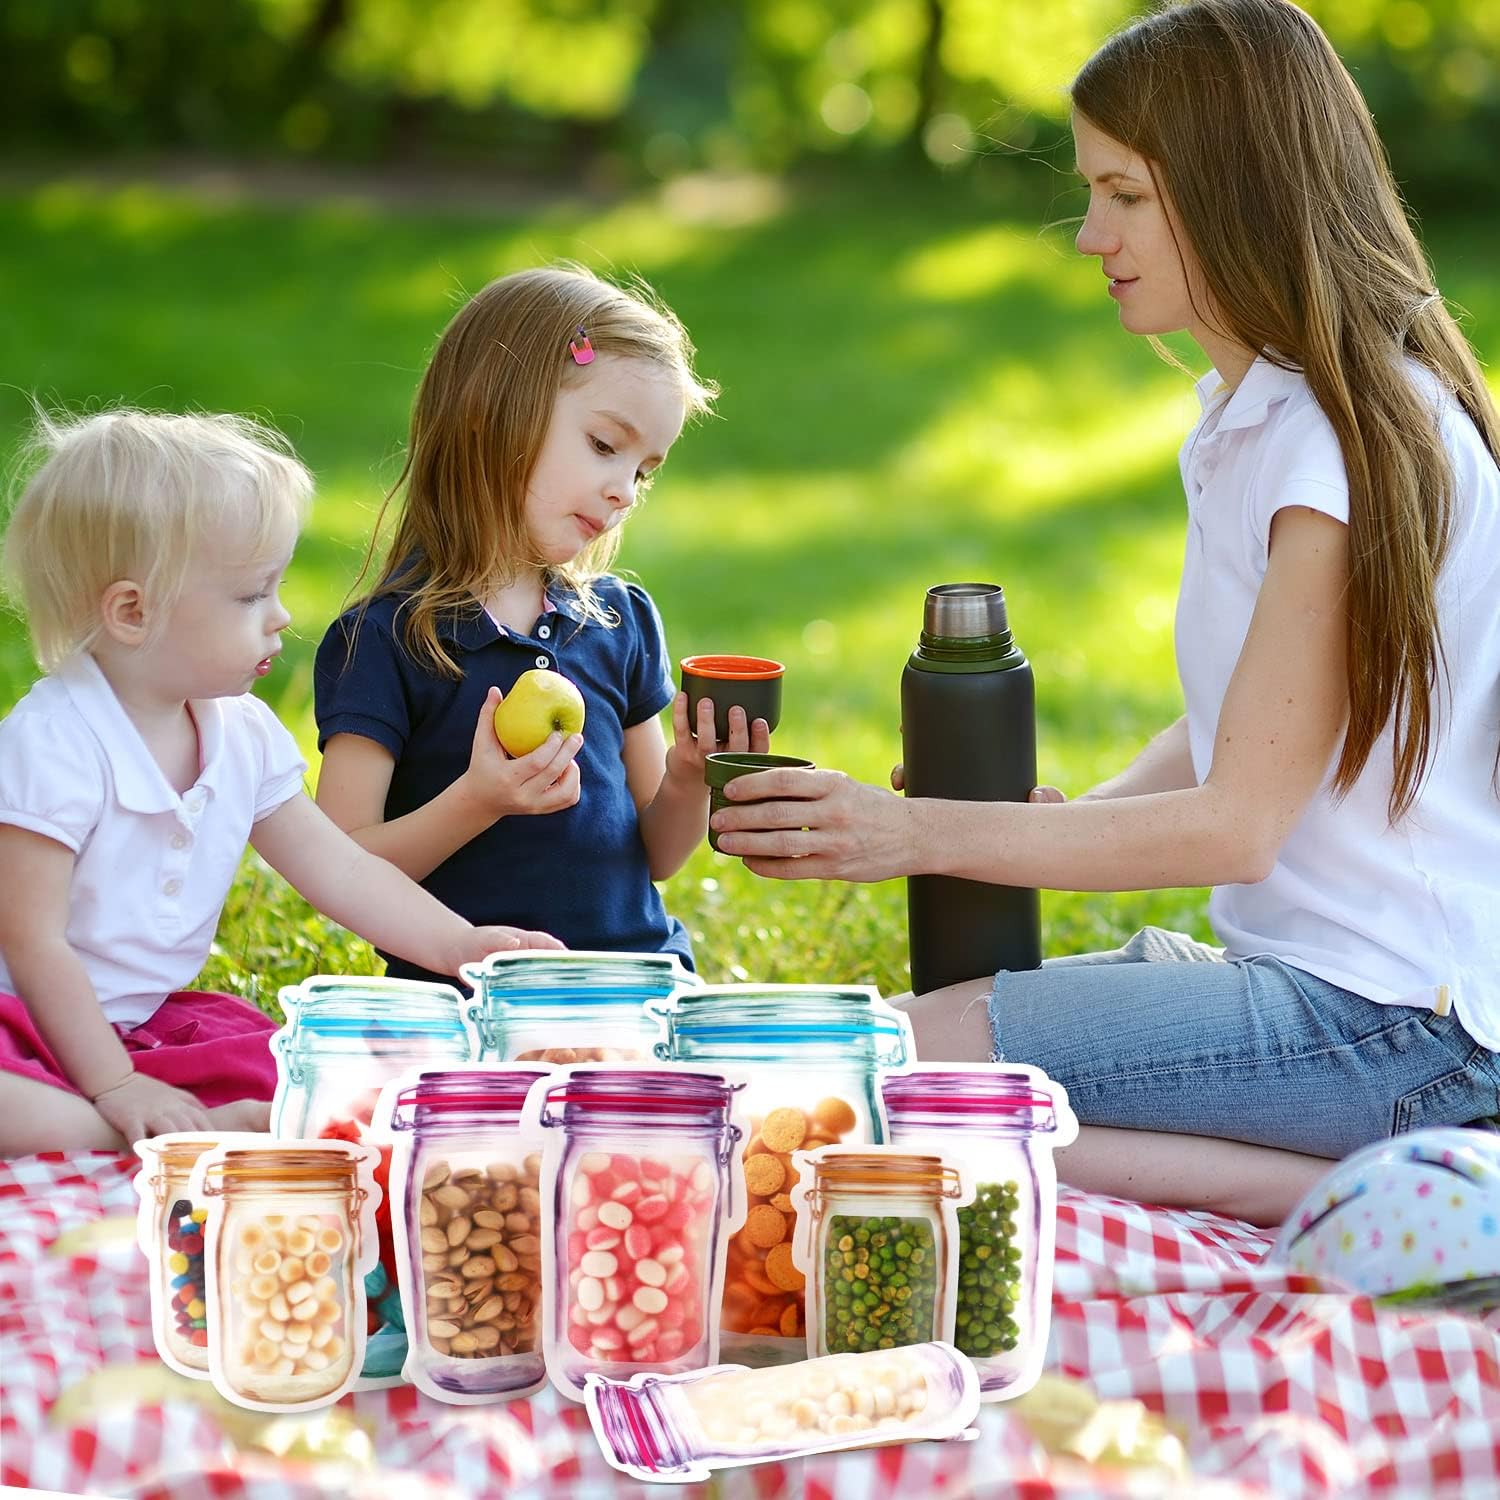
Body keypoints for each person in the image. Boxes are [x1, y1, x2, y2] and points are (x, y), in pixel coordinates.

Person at [710, 0, 1500, 1226]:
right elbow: (1249, 726)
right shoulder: (1258, 420)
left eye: (1124, 194)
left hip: (1391, 1031)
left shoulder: (1339, 446)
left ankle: (1410, 1173)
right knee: (902, 1079)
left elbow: (1236, 825)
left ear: (1236, 188)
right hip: (1328, 995)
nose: (1090, 235)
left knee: (883, 1077)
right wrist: (1077, 825)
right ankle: (1356, 1189)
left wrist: (907, 832)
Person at [0, 409, 561, 1155]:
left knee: (289, 1069)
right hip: (21, 1015)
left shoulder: (241, 732)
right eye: (250, 595)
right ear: (133, 612)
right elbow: (33, 942)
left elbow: (341, 867)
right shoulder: (54, 744)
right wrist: (115, 1084)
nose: (282, 616)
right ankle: (108, 1131)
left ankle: (166, 1120)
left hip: (141, 1022)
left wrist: (460, 943)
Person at [313, 265, 765, 982]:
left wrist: (686, 779)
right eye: (605, 446)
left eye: (645, 471)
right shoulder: (387, 639)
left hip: (639, 983)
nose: (624, 490)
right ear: (491, 411)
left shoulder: (619, 622)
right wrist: (478, 801)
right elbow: (336, 871)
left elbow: (658, 854)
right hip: (470, 1003)